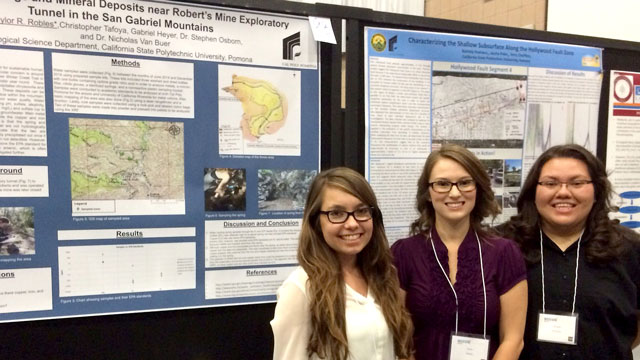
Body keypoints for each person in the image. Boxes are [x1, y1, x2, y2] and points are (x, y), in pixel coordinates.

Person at [497, 144, 640, 360]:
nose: (563, 192)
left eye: (577, 183)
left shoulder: (628, 248)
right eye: (550, 183)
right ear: (533, 191)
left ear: (596, 191)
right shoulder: (502, 245)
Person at [392, 144, 528, 360]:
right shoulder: (404, 253)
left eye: (465, 183)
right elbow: (396, 335)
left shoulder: (504, 253)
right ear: (428, 193)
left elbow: (513, 339)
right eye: (442, 184)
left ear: (478, 188)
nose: (454, 193)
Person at [270, 167, 413, 360]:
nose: (352, 223)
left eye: (361, 211)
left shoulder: (384, 275)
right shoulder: (301, 289)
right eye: (337, 213)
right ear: (316, 222)